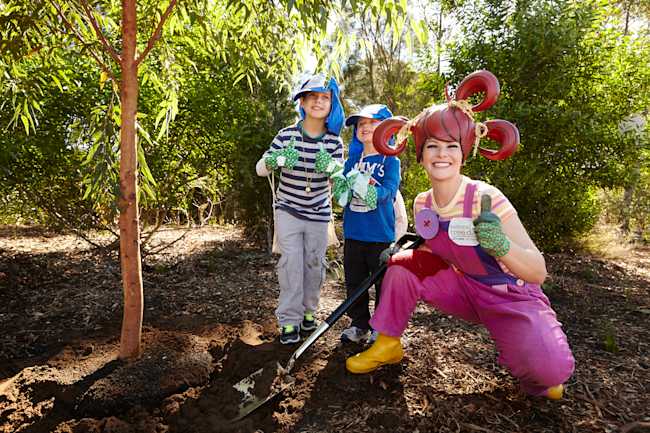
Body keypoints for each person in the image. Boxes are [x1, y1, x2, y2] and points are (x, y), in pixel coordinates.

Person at [345, 70, 575, 400]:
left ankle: (540, 366)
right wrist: (401, 259)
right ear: (420, 153)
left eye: (451, 146)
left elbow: (538, 271)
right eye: (433, 146)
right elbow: (435, 253)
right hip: (463, 288)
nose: (442, 154)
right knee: (401, 265)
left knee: (548, 375)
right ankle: (388, 343)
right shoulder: (422, 202)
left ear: (464, 152)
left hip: (509, 295)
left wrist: (502, 245)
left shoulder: (487, 198)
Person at [256, 74, 345, 344]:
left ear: (331, 104)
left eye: (325, 98)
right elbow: (261, 169)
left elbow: (340, 181)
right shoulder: (286, 135)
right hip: (288, 210)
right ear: (302, 102)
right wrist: (277, 159)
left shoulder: (334, 142)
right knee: (290, 264)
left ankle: (309, 312)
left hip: (319, 213)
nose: (319, 102)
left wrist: (332, 169)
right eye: (313, 97)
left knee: (313, 265)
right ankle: (288, 320)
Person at [336, 104, 401, 344]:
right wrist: (341, 187)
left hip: (379, 234)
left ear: (385, 129)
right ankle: (359, 325)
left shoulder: (390, 160)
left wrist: (366, 187)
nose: (364, 127)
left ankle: (381, 328)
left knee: (382, 283)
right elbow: (341, 194)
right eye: (360, 124)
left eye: (371, 123)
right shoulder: (352, 161)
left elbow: (389, 192)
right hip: (353, 233)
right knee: (354, 282)